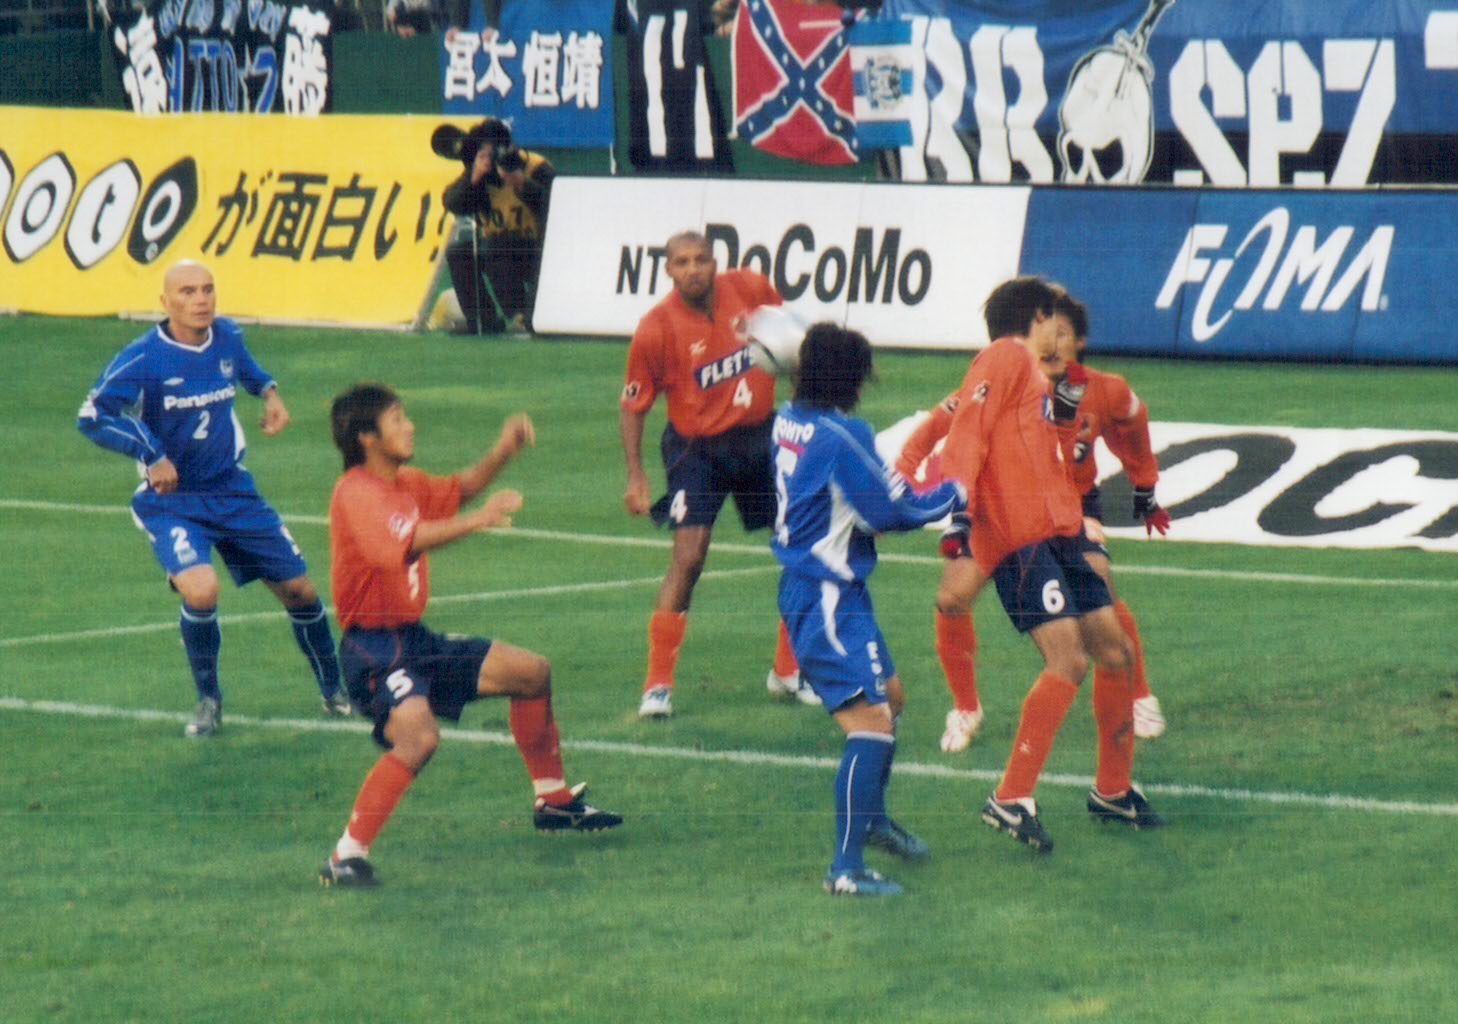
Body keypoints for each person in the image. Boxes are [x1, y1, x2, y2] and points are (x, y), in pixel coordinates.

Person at [319, 384, 622, 888]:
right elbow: (407, 543)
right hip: (373, 649)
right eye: (398, 420)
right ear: (367, 438)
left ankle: (553, 801)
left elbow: (457, 490)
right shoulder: (356, 492)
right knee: (419, 738)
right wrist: (478, 521)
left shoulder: (404, 483)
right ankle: (345, 856)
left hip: (413, 639)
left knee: (531, 673)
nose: (410, 426)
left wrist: (503, 450)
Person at [937, 277, 1166, 854]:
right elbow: (967, 433)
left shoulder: (1036, 376)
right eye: (1052, 319)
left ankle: (1112, 790)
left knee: (1116, 652)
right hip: (1020, 538)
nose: (1059, 333)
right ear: (1035, 319)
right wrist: (959, 515)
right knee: (1068, 659)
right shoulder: (1002, 356)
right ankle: (1010, 797)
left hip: (1060, 530)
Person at [77, 260, 348, 738]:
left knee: (300, 592)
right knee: (202, 591)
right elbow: (93, 415)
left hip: (233, 491)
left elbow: (249, 370)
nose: (200, 300)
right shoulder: (143, 357)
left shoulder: (226, 336)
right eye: (187, 292)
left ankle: (336, 691)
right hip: (174, 501)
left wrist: (270, 394)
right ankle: (209, 701)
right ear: (164, 302)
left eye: (207, 289)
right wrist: (151, 453)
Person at [896, 292, 1171, 751]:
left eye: (1064, 334)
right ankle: (966, 707)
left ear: (1080, 342)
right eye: (1049, 331)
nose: (1054, 343)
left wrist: (1145, 488)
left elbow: (1136, 429)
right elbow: (944, 423)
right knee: (951, 598)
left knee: (1098, 584)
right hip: (1002, 510)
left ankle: (1138, 696)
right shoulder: (1011, 374)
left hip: (1072, 507)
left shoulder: (1104, 390)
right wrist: (906, 472)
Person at [772, 323, 966, 896]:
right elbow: (890, 513)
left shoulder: (789, 420)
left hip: (828, 590)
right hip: (825, 596)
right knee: (871, 725)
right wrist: (954, 494)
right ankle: (846, 870)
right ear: (853, 380)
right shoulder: (842, 435)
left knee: (892, 698)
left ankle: (872, 818)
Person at [620, 229, 808, 718]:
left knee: (800, 543)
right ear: (668, 270)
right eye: (681, 262)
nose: (693, 269)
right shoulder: (656, 328)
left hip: (760, 438)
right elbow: (634, 405)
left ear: (714, 261)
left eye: (700, 259)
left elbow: (791, 338)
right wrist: (636, 475)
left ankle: (788, 670)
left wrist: (798, 389)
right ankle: (657, 685)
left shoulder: (750, 288)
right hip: (696, 450)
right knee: (689, 557)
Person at [441, 117, 553, 334]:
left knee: (496, 246)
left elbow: (556, 205)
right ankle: (482, 320)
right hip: (499, 250)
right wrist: (472, 179)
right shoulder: (480, 176)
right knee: (459, 253)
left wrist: (522, 184)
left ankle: (520, 315)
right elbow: (452, 203)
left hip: (539, 251)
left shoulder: (535, 167)